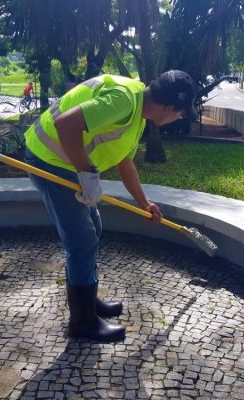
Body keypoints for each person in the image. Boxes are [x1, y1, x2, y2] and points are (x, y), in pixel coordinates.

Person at [23, 70, 198, 342]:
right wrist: (87, 173)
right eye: (180, 113)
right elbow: (66, 125)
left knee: (94, 227)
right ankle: (82, 322)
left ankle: (88, 299)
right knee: (82, 241)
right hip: (50, 162)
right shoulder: (124, 101)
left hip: (67, 162)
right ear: (168, 108)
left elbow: (124, 162)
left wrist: (144, 202)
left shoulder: (139, 112)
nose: (178, 118)